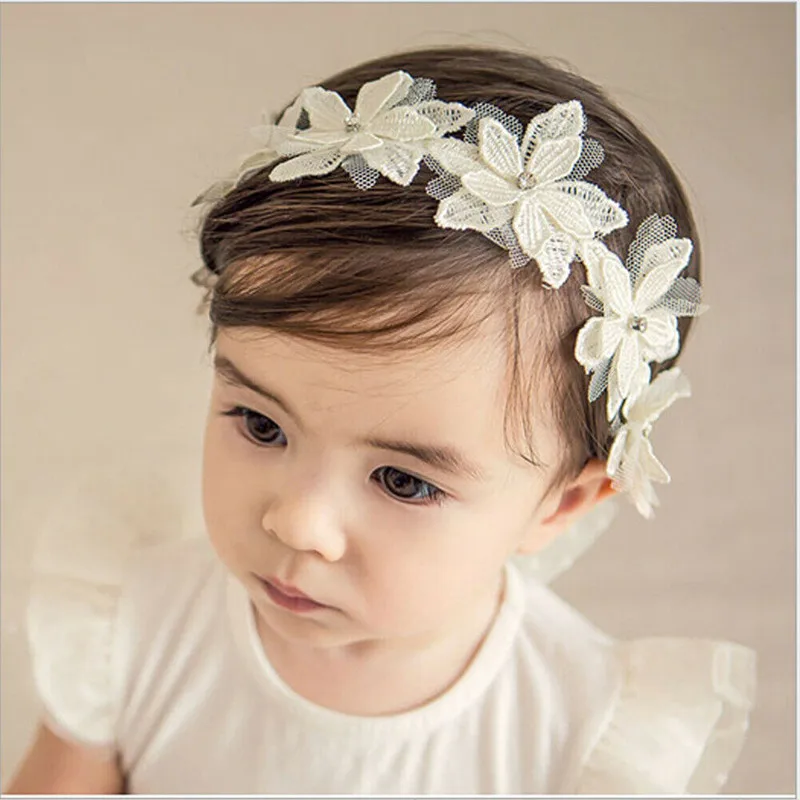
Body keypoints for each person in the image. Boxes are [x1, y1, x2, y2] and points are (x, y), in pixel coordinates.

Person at [7, 46, 756, 795]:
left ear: (560, 505)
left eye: (403, 480)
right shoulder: (131, 625)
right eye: (262, 426)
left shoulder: (580, 735)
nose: (297, 524)